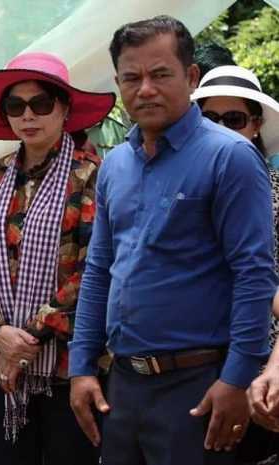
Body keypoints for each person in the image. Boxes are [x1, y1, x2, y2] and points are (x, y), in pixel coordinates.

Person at [69, 15, 277, 465]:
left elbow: (254, 275)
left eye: (160, 74)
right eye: (132, 78)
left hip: (198, 386)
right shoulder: (115, 166)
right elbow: (99, 271)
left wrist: (236, 378)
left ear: (191, 76)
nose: (145, 89)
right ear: (118, 84)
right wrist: (81, 366)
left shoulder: (230, 157)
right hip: (123, 383)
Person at [0, 51, 115, 464]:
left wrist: (26, 339)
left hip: (70, 362)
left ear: (65, 109)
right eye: (16, 105)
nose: (29, 115)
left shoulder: (95, 176)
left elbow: (95, 269)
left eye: (41, 103)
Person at [191, 65, 279, 465]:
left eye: (235, 119)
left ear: (256, 125)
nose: (222, 129)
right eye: (211, 118)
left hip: (261, 371)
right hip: (185, 366)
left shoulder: (274, 193)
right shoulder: (174, 188)